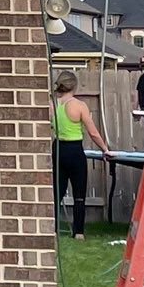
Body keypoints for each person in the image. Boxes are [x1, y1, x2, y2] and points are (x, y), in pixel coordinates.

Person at [52, 73, 94, 240]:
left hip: (58, 148)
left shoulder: (52, 104)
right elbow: (93, 131)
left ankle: (53, 230)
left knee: (57, 191)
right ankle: (78, 232)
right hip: (75, 150)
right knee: (79, 192)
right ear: (74, 86)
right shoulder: (79, 105)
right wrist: (105, 148)